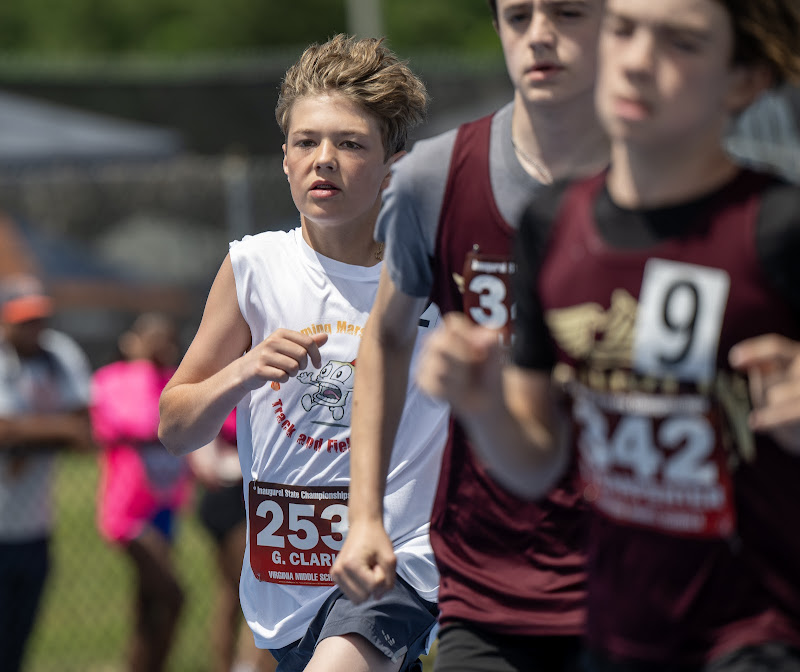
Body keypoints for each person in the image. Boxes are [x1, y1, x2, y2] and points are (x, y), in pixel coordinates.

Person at [416, 0, 800, 670]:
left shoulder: (780, 231)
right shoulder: (554, 227)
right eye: (622, 29)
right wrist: (480, 404)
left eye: (680, 42)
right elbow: (535, 458)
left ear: (743, 78)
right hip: (618, 635)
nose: (637, 60)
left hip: (758, 636)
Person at [331, 1, 608, 670]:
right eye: (518, 15)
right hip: (489, 583)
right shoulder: (434, 178)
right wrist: (364, 512)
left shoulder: (668, 178)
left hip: (637, 575)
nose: (540, 32)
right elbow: (387, 338)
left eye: (568, 11)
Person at [158, 34, 447, 672]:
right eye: (305, 141)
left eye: (349, 143)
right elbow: (175, 429)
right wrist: (241, 372)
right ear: (284, 158)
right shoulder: (254, 267)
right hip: (284, 584)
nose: (324, 160)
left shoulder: (436, 273)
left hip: (396, 565)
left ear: (392, 164)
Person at [0, 274, 94, 672]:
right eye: (23, 320)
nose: (33, 328)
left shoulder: (58, 354)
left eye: (38, 318)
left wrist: (25, 434)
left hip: (35, 525)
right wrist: (55, 429)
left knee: (18, 638)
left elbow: (84, 428)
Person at [90, 312, 191, 672]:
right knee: (174, 596)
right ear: (130, 341)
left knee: (148, 605)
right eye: (151, 337)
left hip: (164, 507)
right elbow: (129, 422)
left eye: (167, 337)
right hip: (128, 512)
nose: (160, 344)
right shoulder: (113, 379)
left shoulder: (178, 379)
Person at [188, 410, 278, 672]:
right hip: (232, 496)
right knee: (257, 591)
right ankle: (248, 665)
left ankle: (235, 665)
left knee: (232, 593)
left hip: (243, 495)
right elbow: (206, 453)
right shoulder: (233, 386)